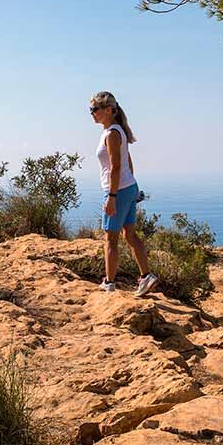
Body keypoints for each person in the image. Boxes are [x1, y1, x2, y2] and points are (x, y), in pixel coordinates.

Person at [89, 91, 158, 297]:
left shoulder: (111, 134)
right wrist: (131, 187)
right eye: (90, 109)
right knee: (129, 234)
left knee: (110, 239)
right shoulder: (117, 130)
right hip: (128, 188)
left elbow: (116, 167)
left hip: (117, 190)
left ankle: (109, 283)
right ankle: (146, 276)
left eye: (95, 109)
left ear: (109, 110)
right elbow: (127, 162)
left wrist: (112, 197)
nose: (92, 113)